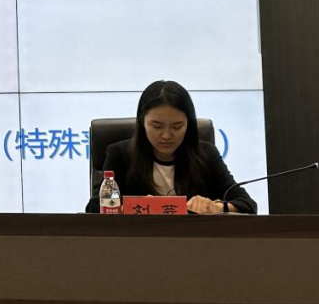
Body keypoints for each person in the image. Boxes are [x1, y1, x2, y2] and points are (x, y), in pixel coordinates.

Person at [86, 80, 256, 214]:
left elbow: (247, 204)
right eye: (157, 126)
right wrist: (133, 207)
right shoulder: (120, 155)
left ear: (189, 124)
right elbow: (94, 207)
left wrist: (216, 207)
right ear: (142, 122)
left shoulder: (206, 154)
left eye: (177, 126)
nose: (166, 135)